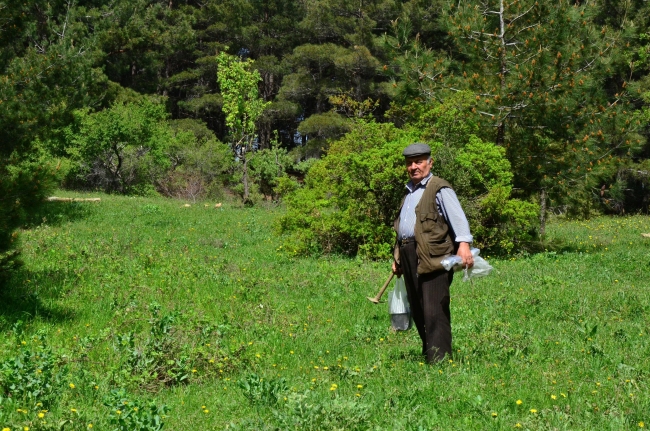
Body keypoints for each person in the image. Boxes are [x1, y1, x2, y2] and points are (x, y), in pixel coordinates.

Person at [392, 143, 474, 363]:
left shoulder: (439, 188)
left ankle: (440, 359)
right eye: (410, 163)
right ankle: (430, 352)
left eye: (419, 161)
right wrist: (398, 257)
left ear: (430, 163)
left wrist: (464, 245)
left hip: (436, 257)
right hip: (409, 254)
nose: (414, 166)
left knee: (434, 308)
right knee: (418, 308)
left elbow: (458, 218)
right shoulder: (409, 191)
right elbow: (404, 228)